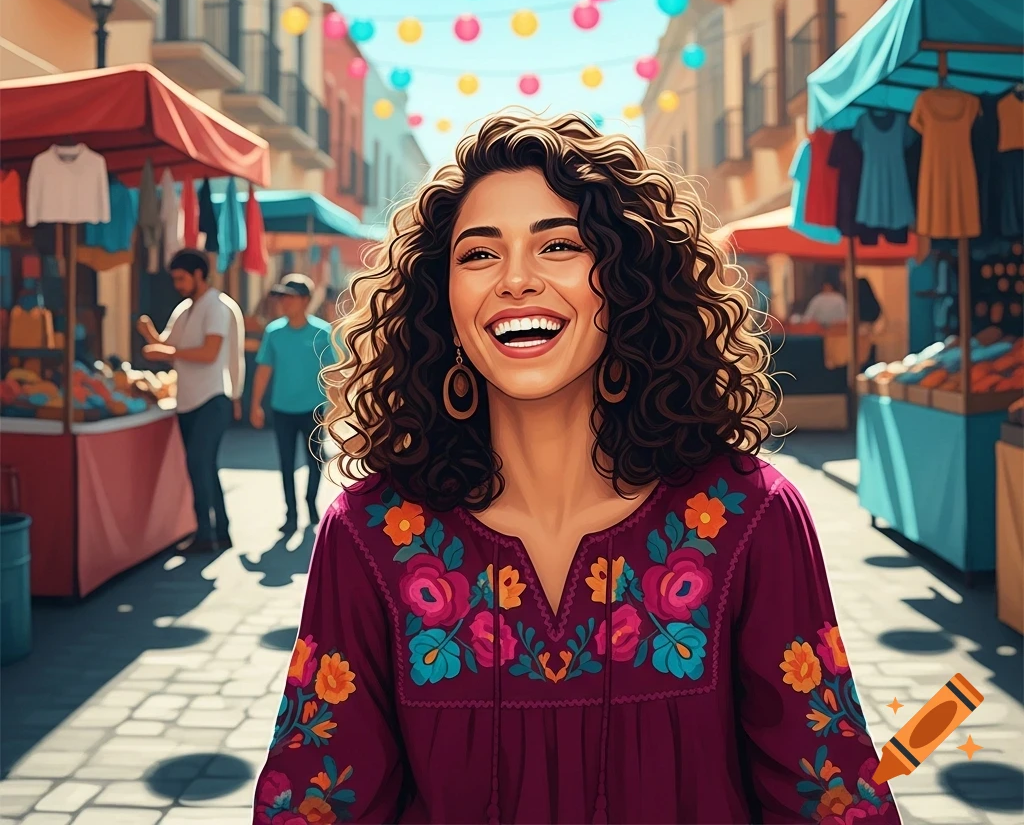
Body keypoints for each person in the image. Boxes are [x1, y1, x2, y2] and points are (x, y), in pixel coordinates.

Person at [251, 113, 900, 825]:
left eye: (559, 244)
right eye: (478, 255)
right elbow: (313, 801)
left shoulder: (749, 519)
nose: (516, 280)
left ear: (625, 278)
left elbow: (830, 797)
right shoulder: (370, 536)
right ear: (443, 299)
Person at [137, 248, 242, 554]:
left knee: (199, 465)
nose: (178, 284)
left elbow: (209, 353)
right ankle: (220, 531)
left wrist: (165, 352)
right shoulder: (185, 308)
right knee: (205, 466)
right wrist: (147, 333)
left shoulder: (215, 307)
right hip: (188, 400)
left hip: (212, 398)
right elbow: (166, 344)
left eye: (182, 278)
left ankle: (205, 534)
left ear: (198, 274)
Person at [250, 274, 333, 533]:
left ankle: (310, 502)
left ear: (305, 300)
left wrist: (334, 408)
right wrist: (255, 404)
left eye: (290, 297)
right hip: (282, 408)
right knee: (285, 463)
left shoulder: (322, 332)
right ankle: (291, 513)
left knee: (315, 461)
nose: (284, 302)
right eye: (281, 297)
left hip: (314, 409)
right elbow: (263, 370)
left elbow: (331, 372)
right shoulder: (274, 333)